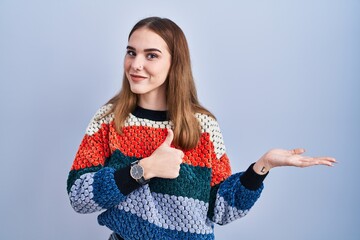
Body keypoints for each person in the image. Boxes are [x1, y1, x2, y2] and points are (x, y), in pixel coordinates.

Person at [66, 17, 336, 240]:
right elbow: (79, 195)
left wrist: (261, 168)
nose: (136, 64)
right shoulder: (108, 120)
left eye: (152, 55)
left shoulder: (203, 127)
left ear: (174, 63)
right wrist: (144, 169)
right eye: (131, 52)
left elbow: (221, 209)